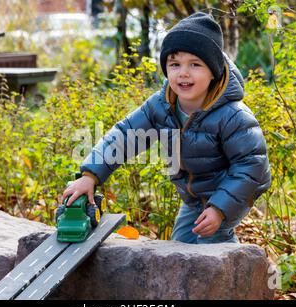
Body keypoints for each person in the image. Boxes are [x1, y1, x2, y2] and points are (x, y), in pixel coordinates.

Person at [62, 12, 271, 244]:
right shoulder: (161, 105)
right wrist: (90, 175)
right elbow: (125, 135)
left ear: (213, 71)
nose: (183, 72)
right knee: (180, 244)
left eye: (195, 64)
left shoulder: (232, 115)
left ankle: (236, 273)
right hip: (194, 197)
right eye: (175, 64)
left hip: (231, 192)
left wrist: (220, 209)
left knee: (214, 243)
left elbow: (252, 165)